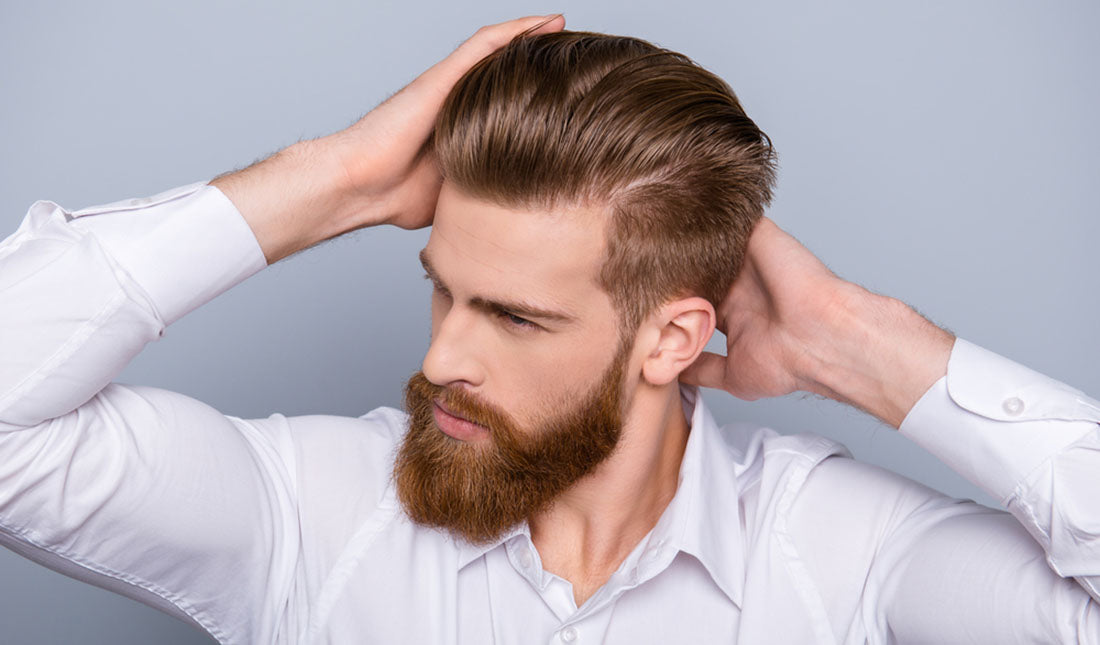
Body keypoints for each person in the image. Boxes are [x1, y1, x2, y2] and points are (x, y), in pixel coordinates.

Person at [0, 13, 1096, 644]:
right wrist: (329, 185)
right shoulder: (306, 513)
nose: (439, 362)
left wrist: (868, 347)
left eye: (514, 317)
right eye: (443, 290)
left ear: (672, 340)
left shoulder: (837, 556)